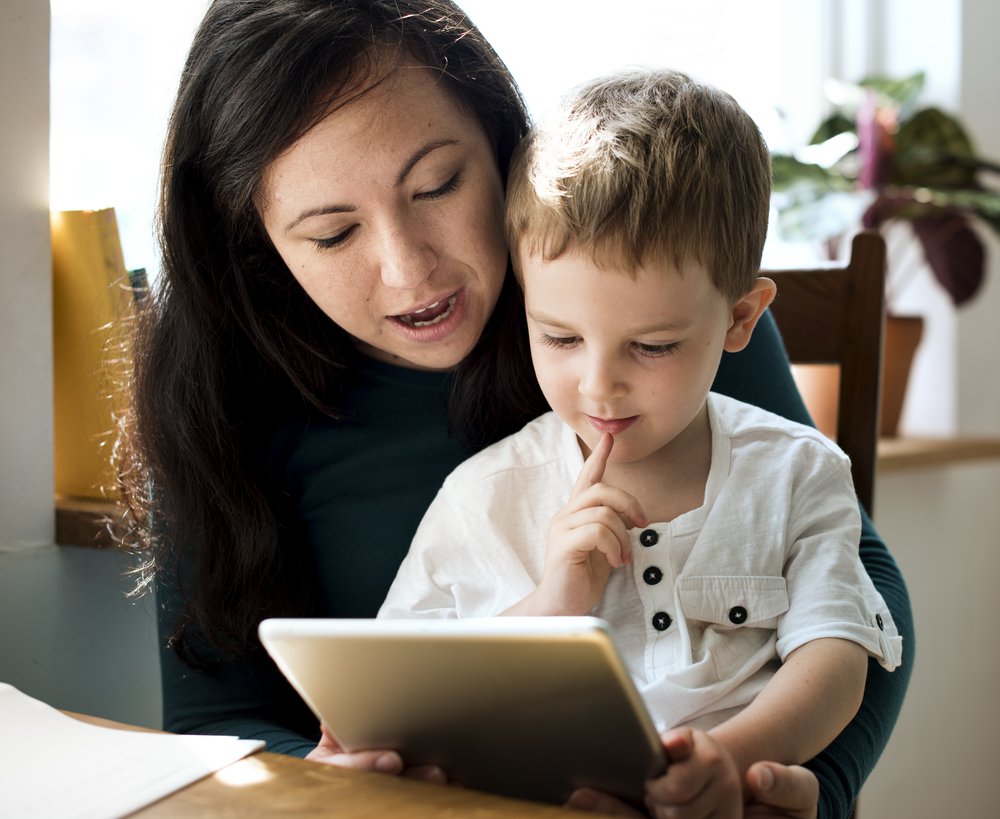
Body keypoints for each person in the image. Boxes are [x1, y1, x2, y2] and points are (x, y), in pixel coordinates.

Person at [114, 2, 913, 817]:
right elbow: (214, 718)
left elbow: (856, 588)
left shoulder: (650, 289)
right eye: (331, 233)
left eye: (438, 184)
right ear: (253, 241)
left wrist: (793, 789)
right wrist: (329, 779)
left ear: (501, 145)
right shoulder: (220, 397)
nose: (408, 269)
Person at [379, 67, 903, 817]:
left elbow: (836, 657)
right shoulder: (486, 497)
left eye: (652, 346)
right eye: (559, 336)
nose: (599, 386)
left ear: (740, 319)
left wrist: (728, 759)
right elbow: (403, 694)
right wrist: (557, 600)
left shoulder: (796, 471)